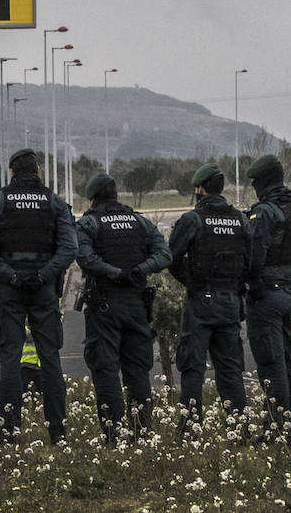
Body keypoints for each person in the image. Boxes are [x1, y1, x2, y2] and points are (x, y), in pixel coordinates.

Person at [0, 148, 77, 445]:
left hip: (10, 289)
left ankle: (8, 431)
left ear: (11, 172)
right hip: (44, 290)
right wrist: (45, 274)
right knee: (50, 360)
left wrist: (11, 275)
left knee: (10, 359)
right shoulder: (55, 203)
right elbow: (69, 249)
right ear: (37, 172)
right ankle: (58, 433)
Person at [75, 172, 172, 442]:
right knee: (138, 369)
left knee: (105, 368)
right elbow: (164, 255)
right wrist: (139, 269)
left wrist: (114, 272)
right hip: (136, 303)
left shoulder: (89, 223)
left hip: (105, 303)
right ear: (116, 195)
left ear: (93, 199)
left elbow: (84, 257)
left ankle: (114, 434)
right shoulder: (140, 222)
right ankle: (142, 431)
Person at [168, 163, 250, 433]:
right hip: (230, 301)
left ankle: (190, 429)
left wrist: (190, 282)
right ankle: (239, 428)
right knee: (230, 368)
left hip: (201, 302)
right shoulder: (240, 219)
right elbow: (250, 260)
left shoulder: (194, 219)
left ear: (200, 188)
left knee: (193, 367)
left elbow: (172, 257)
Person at [245, 154, 291, 441]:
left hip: (266, 295)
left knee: (271, 365)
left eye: (256, 182)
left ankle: (276, 428)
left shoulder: (266, 212)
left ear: (264, 182)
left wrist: (251, 282)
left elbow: (255, 254)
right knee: (288, 364)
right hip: (287, 291)